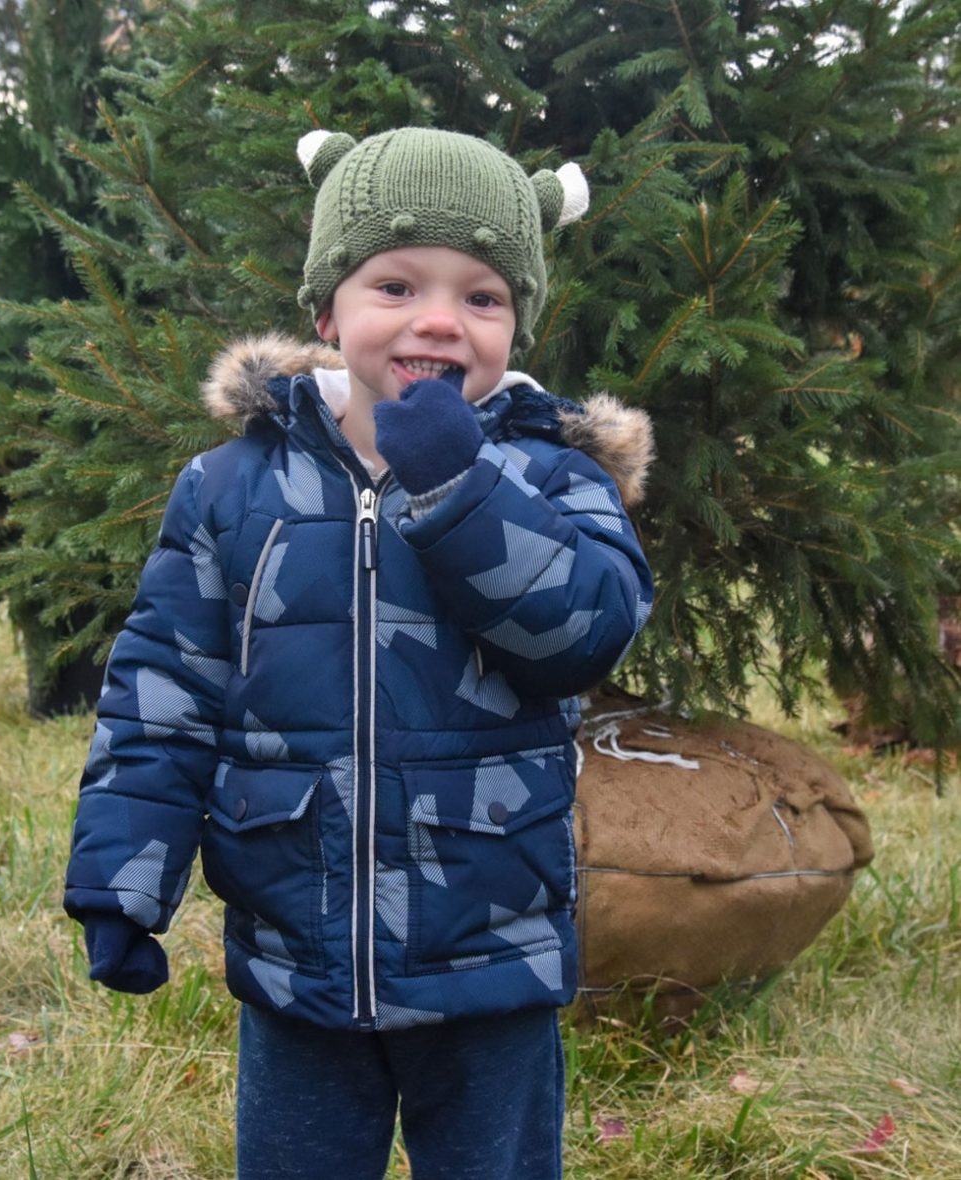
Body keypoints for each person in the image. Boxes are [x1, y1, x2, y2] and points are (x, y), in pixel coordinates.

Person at [63, 127, 655, 1180]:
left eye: (483, 296)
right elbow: (163, 690)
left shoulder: (554, 479)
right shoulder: (231, 487)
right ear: (328, 312)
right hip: (300, 956)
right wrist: (122, 879)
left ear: (516, 326)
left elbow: (584, 634)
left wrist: (463, 488)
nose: (440, 318)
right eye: (395, 285)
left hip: (490, 954)